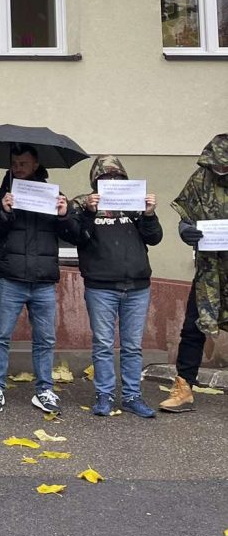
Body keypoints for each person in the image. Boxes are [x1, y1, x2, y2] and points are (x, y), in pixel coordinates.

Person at [0, 144, 79, 415]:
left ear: (35, 165)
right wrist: (4, 211)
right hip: (10, 277)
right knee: (0, 336)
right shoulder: (1, 195)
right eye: (15, 163)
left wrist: (64, 214)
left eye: (24, 163)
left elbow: (74, 234)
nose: (18, 167)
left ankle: (44, 390)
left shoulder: (53, 195)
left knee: (45, 339)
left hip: (43, 280)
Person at [72, 155, 162, 418]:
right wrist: (89, 212)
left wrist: (149, 214)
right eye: (105, 177)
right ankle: (104, 395)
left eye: (116, 177)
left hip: (137, 285)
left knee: (133, 346)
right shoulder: (82, 202)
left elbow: (154, 238)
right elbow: (75, 236)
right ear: (95, 180)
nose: (111, 181)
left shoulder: (134, 201)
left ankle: (133, 396)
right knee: (102, 344)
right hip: (101, 286)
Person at [165, 133, 228, 412]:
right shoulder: (200, 179)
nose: (219, 170)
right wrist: (185, 231)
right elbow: (185, 215)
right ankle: (183, 389)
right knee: (192, 328)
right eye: (215, 165)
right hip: (208, 271)